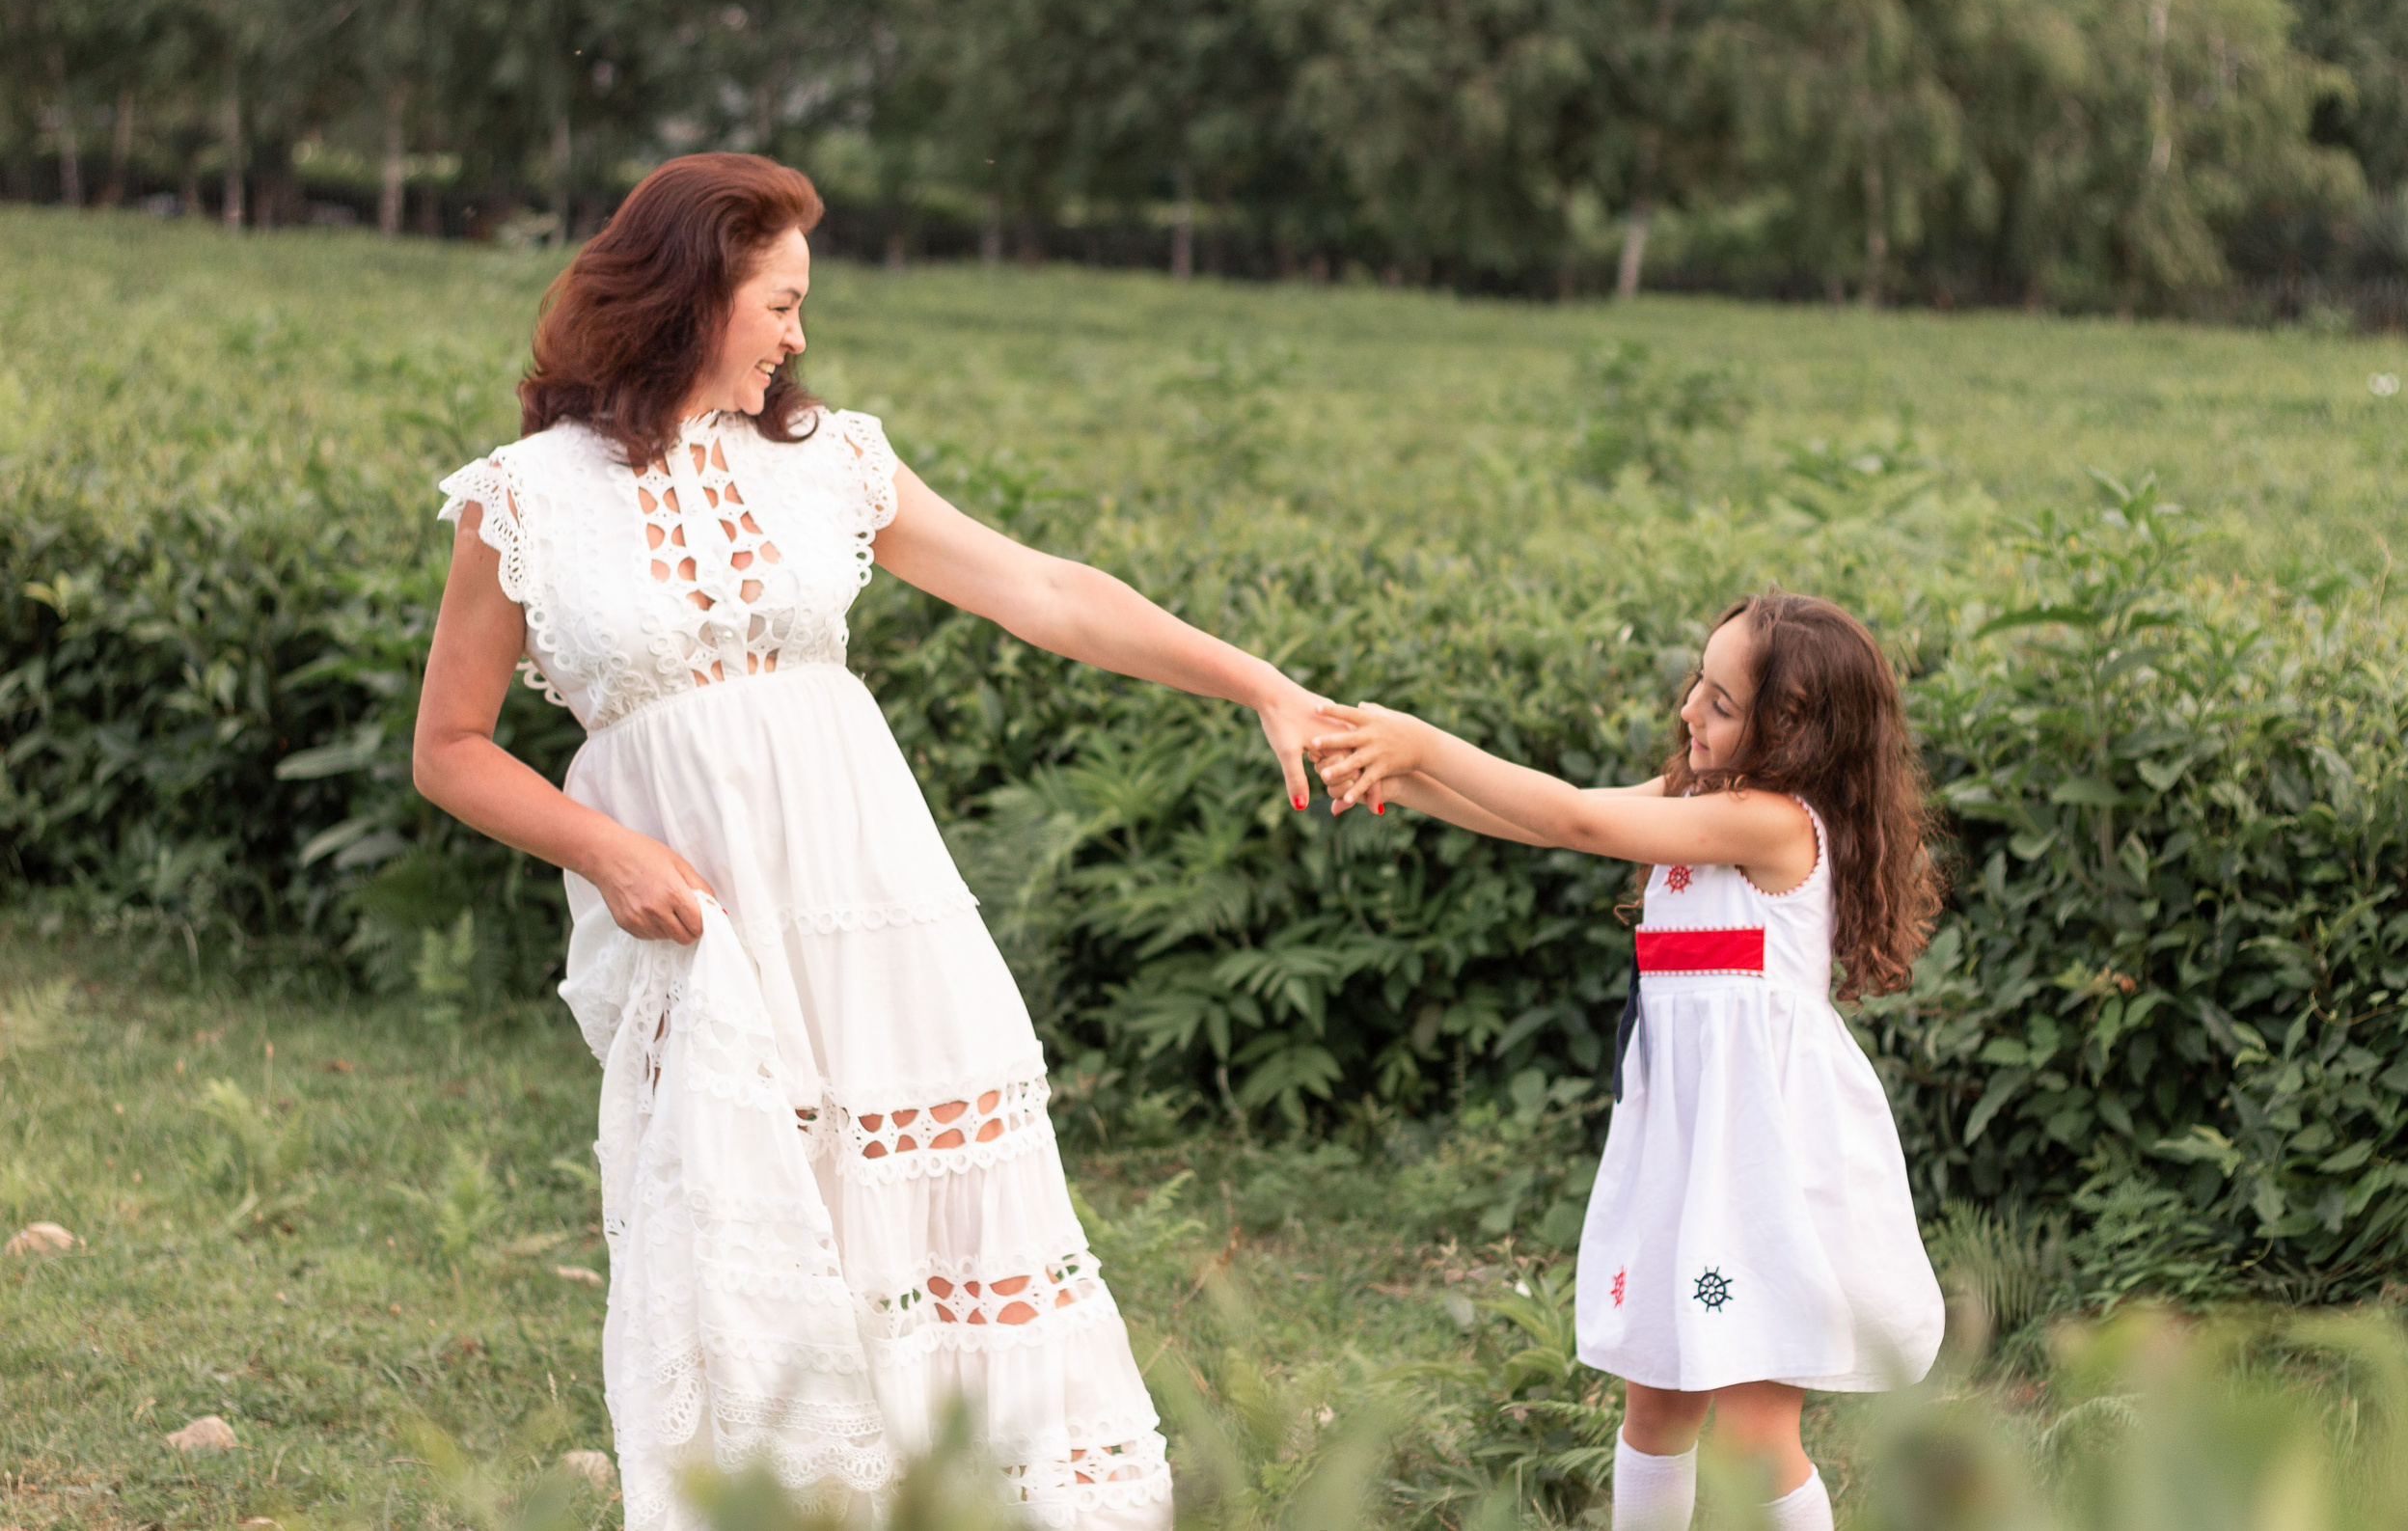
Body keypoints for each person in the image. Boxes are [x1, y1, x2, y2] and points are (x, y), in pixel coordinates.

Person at [411, 151, 1334, 1529]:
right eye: (777, 301)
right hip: (704, 922)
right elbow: (450, 748)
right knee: (746, 1209)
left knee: (927, 1177)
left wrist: (1264, 681)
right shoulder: (526, 498)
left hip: (874, 895)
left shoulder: (828, 459)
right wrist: (606, 847)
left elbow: (1047, 592)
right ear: (690, 294)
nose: (797, 333)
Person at [1308, 593, 1946, 1531]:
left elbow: (1576, 821)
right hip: (1683, 1149)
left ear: (1793, 734)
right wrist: (1401, 781)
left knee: (1754, 1434)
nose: (1690, 708)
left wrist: (1423, 744)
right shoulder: (1703, 801)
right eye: (1700, 681)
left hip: (1762, 1159)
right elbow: (1549, 819)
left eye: (1721, 703)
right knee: (1653, 1402)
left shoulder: (1773, 823)